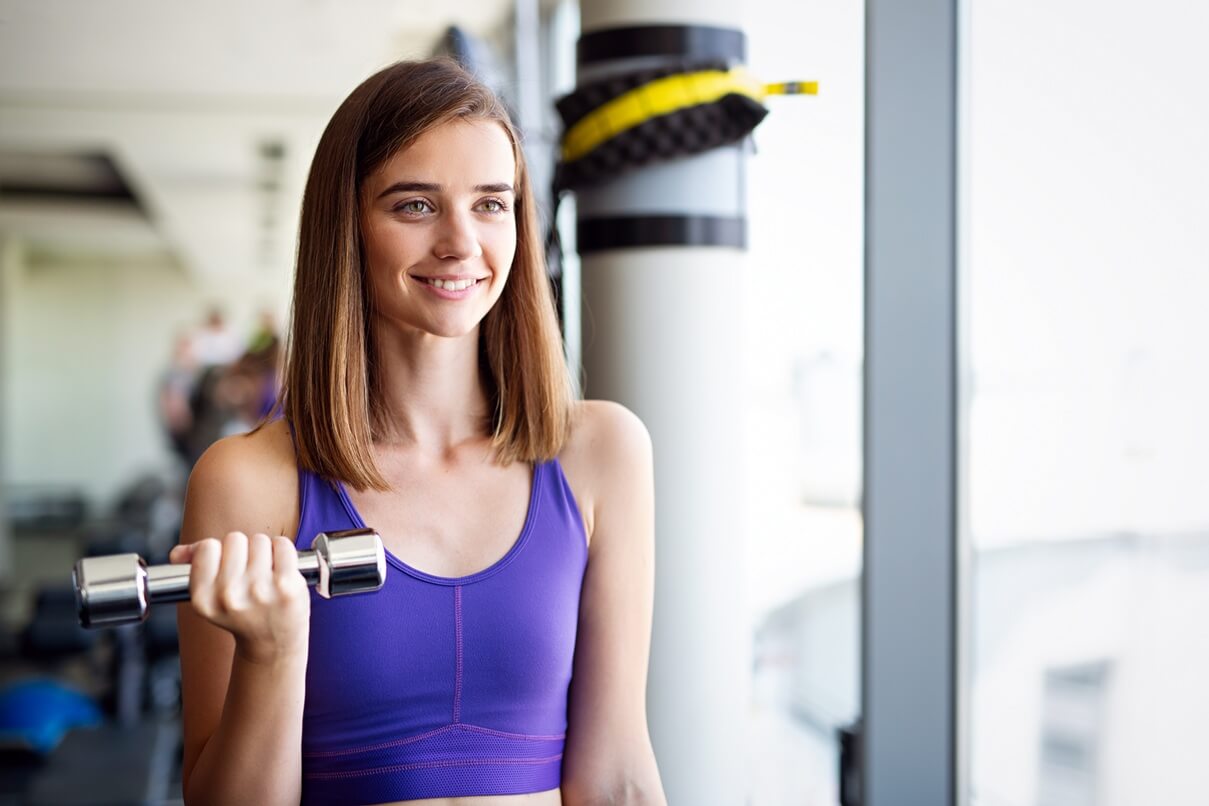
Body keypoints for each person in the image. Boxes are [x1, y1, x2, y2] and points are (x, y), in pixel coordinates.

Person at [169, 59, 666, 806]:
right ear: (348, 227)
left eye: (491, 205)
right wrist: (270, 653)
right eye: (415, 206)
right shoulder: (248, 480)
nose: (462, 242)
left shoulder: (601, 454)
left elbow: (619, 777)